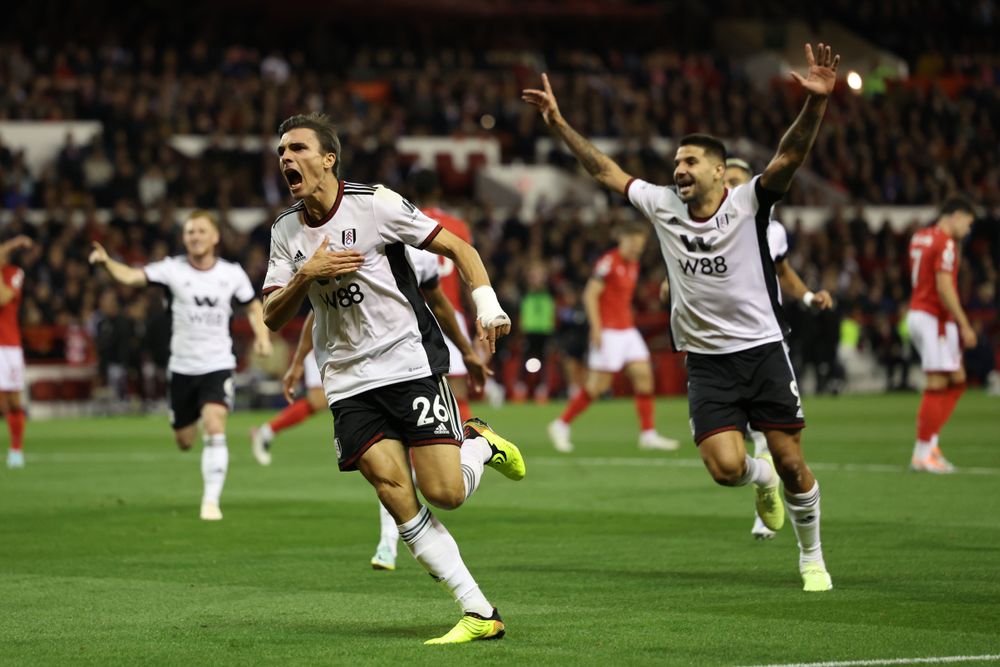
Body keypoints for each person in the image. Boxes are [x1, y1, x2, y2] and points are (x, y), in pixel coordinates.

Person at [524, 42, 840, 592]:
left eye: (690, 161)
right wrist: (559, 124)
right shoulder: (662, 204)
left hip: (763, 349)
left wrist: (814, 104)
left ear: (720, 172)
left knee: (793, 462)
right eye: (676, 162)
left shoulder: (749, 204)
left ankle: (811, 557)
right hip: (707, 362)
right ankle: (758, 478)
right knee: (726, 469)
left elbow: (790, 157)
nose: (679, 169)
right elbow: (603, 169)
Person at [262, 112, 524, 644]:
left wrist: (486, 305)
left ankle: (476, 444)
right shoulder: (284, 231)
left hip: (406, 361)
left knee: (445, 492)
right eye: (282, 151)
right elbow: (271, 315)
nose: (286, 158)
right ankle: (479, 611)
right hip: (345, 379)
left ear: (328, 158)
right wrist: (305, 275)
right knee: (393, 492)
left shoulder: (375, 202)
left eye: (298, 148)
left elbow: (459, 249)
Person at [89, 210, 273, 520]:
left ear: (215, 237)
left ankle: (211, 501)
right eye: (190, 232)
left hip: (217, 363)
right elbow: (134, 276)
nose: (195, 237)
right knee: (185, 441)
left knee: (215, 425)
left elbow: (253, 305)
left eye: (201, 231)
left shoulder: (231, 273)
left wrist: (262, 336)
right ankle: (196, 417)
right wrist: (108, 263)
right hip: (183, 367)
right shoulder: (172, 270)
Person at [722, 157, 833, 539]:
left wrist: (807, 298)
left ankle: (767, 510)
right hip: (718, 346)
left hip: (766, 339)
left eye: (740, 181)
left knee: (768, 434)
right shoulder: (703, 229)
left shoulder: (772, 231)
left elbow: (783, 272)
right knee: (729, 452)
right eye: (729, 180)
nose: (734, 188)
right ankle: (763, 484)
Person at [548, 220, 680, 453]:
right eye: (633, 244)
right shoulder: (608, 262)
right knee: (598, 386)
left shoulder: (634, 263)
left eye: (640, 246)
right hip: (608, 331)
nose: (637, 250)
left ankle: (648, 434)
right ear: (623, 240)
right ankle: (561, 424)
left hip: (627, 330)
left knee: (644, 377)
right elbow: (590, 294)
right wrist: (596, 328)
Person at [906, 196, 977, 473]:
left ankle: (930, 443)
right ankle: (922, 453)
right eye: (968, 223)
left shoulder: (920, 236)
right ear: (956, 215)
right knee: (937, 382)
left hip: (920, 312)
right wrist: (964, 323)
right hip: (933, 317)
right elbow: (944, 286)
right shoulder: (946, 242)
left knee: (957, 379)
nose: (968, 231)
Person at [0, 235, 33, 468]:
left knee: (12, 401)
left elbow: (3, 298)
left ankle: (16, 450)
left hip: (8, 346)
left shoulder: (14, 274)